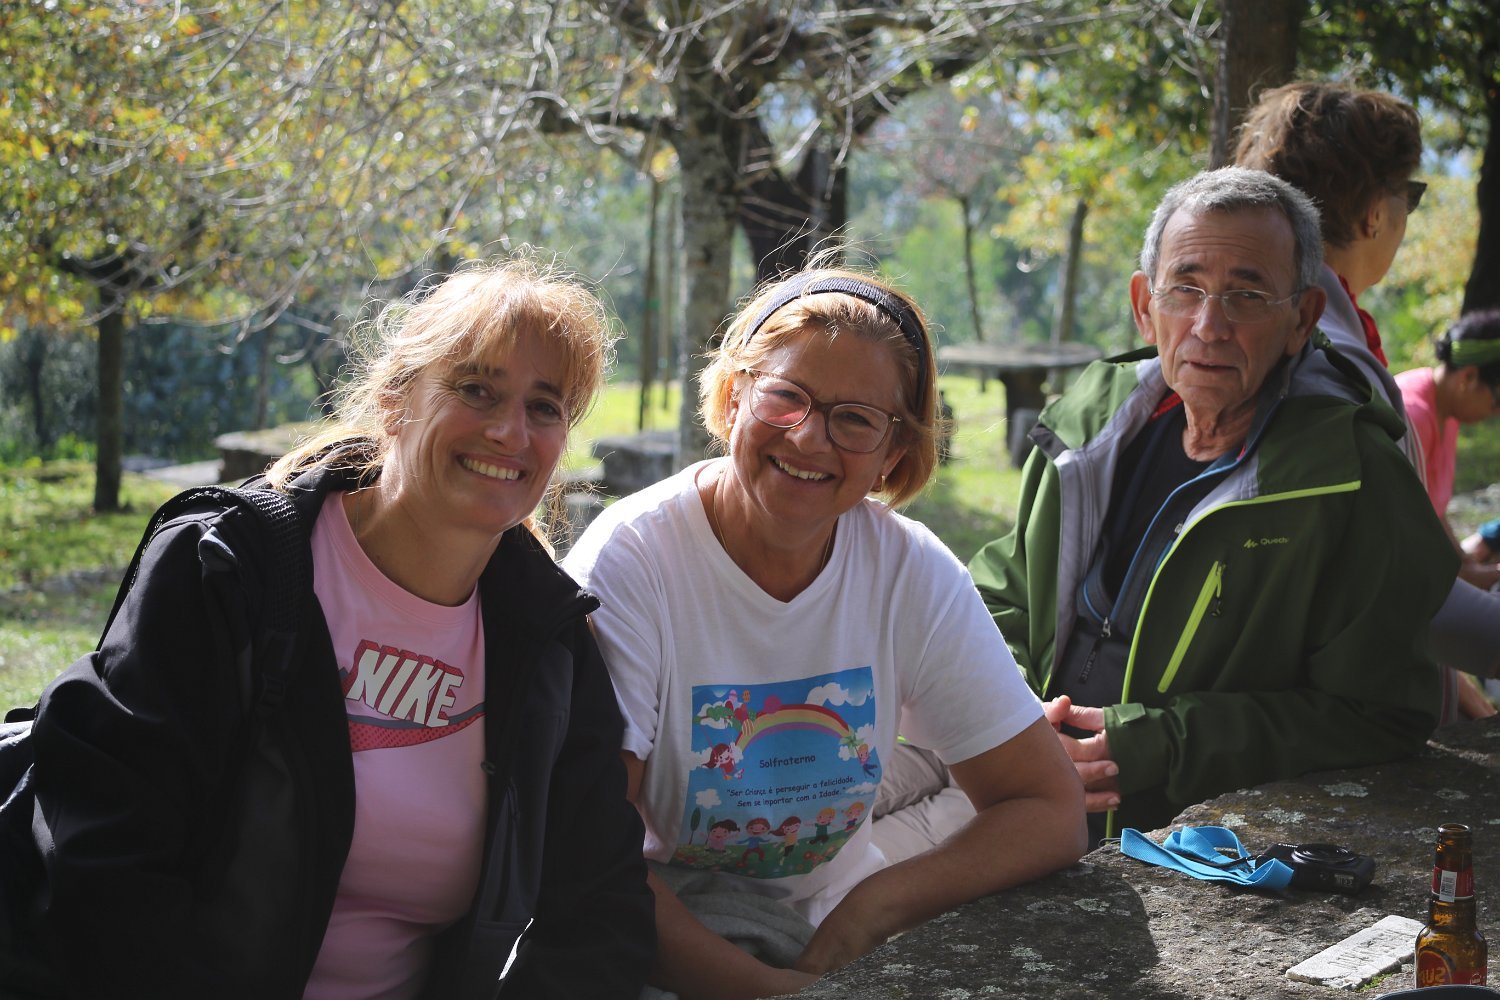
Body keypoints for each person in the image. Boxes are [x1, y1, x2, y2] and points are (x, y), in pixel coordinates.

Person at [22, 257, 653, 998]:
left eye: (544, 407)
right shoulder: (229, 571)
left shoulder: (547, 639)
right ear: (395, 400)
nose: (510, 430)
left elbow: (601, 911)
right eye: (476, 389)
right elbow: (106, 856)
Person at [563, 263, 1086, 1000]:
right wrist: (773, 991)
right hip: (654, 936)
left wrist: (871, 909)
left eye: (855, 419)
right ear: (732, 396)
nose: (809, 438)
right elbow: (590, 851)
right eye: (786, 396)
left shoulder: (907, 569)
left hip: (826, 931)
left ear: (893, 453)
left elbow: (1048, 809)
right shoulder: (634, 560)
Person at [969, 167, 1455, 844]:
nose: (1209, 325)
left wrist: (1156, 745)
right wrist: (1018, 716)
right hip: (1014, 778)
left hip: (1182, 836)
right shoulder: (1088, 430)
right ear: (1145, 306)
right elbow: (1002, 591)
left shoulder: (1350, 479)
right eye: (1185, 289)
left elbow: (1379, 714)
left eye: (1247, 295)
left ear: (1302, 318)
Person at [1237, 80, 1500, 714]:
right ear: (1374, 215)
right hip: (1312, 718)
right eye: (1410, 194)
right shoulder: (1330, 368)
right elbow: (1403, 592)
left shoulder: (1264, 332)